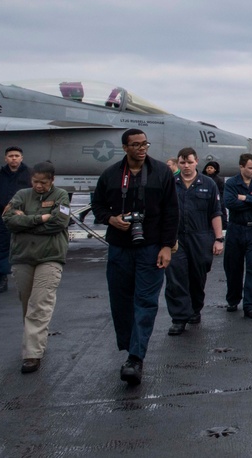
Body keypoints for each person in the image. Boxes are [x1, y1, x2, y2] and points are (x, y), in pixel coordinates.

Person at [93, 129, 179, 385]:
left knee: (146, 301)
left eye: (145, 144)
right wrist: (110, 219)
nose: (142, 149)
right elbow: (97, 206)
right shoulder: (110, 175)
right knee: (121, 302)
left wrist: (167, 246)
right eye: (136, 145)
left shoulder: (162, 173)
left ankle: (135, 357)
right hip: (119, 247)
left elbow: (172, 212)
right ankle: (130, 346)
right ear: (125, 147)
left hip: (151, 248)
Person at [1, 162, 71, 374]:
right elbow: (8, 219)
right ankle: (36, 339)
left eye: (43, 182)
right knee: (27, 302)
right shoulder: (22, 195)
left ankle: (32, 354)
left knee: (40, 304)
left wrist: (26, 223)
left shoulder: (61, 196)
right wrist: (40, 218)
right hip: (23, 257)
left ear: (52, 181)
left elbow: (60, 222)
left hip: (50, 257)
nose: (38, 186)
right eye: (35, 182)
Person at [164, 147, 223, 335]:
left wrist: (219, 239)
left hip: (201, 237)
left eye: (189, 162)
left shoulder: (208, 184)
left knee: (198, 277)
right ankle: (179, 318)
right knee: (175, 278)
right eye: (182, 163)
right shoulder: (170, 184)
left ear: (196, 161)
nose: (186, 166)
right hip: (176, 238)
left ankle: (195, 309)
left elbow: (215, 212)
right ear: (178, 163)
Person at [222, 153, 252, 320]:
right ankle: (233, 299)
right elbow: (229, 203)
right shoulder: (231, 183)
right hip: (236, 229)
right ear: (241, 167)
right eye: (250, 168)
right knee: (233, 268)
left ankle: (250, 306)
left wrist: (245, 198)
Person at [0, 146, 31, 293]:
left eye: (16, 156)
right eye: (10, 156)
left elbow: (39, 191)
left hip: (24, 217)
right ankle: (2, 279)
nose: (13, 158)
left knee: (26, 247)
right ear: (5, 158)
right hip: (2, 217)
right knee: (0, 247)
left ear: (21, 158)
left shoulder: (30, 174)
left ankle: (29, 279)